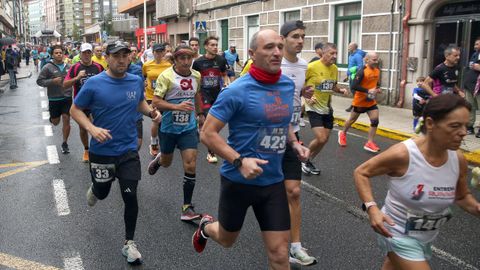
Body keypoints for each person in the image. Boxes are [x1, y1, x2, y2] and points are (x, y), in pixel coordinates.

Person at [192, 29, 310, 270]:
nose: (277, 52)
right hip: (238, 181)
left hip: (273, 182)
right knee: (226, 239)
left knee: (279, 253)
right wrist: (239, 161)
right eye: (269, 47)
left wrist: (294, 143)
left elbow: (282, 119)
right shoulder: (236, 91)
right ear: (252, 54)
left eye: (279, 46)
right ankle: (205, 227)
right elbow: (207, 133)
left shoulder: (287, 86)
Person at [353, 94, 480, 270]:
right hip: (395, 233)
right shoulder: (403, 154)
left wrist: (477, 208)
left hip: (425, 237)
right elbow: (361, 172)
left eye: (465, 126)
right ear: (430, 124)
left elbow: (462, 196)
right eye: (455, 126)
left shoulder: (458, 159)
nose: (463, 132)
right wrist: (372, 208)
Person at [70, 41, 161, 265]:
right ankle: (96, 188)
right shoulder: (93, 84)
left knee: (130, 196)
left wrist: (151, 112)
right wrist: (91, 128)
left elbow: (139, 102)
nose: (121, 59)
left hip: (128, 150)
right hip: (102, 152)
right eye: (116, 56)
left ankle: (129, 243)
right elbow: (75, 109)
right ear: (107, 58)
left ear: (130, 57)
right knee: (102, 193)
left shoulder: (135, 80)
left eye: (125, 55)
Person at [147, 45, 204, 221]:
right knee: (167, 162)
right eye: (182, 58)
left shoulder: (196, 75)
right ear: (176, 60)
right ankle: (160, 159)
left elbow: (196, 96)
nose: (186, 62)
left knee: (190, 164)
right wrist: (176, 106)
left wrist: (200, 114)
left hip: (188, 127)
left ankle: (187, 207)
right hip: (169, 127)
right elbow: (156, 102)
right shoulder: (166, 76)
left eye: (189, 58)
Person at [279, 20, 317, 266]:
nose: (300, 41)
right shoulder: (271, 62)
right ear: (283, 39)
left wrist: (304, 94)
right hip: (266, 138)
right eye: (295, 36)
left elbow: (299, 92)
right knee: (262, 194)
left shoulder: (305, 65)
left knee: (293, 191)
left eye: (302, 36)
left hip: (291, 133)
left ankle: (295, 246)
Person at [301, 43, 348, 175]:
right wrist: (306, 96)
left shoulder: (334, 68)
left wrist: (340, 90)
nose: (334, 56)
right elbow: (299, 83)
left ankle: (308, 160)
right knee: (321, 138)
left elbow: (332, 86)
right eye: (331, 53)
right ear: (323, 53)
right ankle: (304, 159)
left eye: (336, 53)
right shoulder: (311, 67)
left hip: (327, 108)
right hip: (313, 107)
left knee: (325, 140)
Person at [63, 43, 104, 162]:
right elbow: (65, 84)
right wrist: (77, 78)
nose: (86, 55)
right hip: (81, 104)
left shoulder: (99, 67)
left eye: (88, 52)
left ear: (91, 53)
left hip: (96, 103)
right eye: (84, 53)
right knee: (83, 129)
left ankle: (98, 149)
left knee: (98, 126)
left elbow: (107, 80)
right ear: (80, 54)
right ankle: (86, 150)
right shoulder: (75, 68)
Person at [192, 36, 229, 163]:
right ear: (206, 47)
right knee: (209, 119)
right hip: (203, 94)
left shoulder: (221, 60)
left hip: (217, 94)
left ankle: (202, 128)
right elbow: (195, 78)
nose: (215, 47)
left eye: (216, 45)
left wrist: (225, 84)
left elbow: (224, 74)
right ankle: (211, 152)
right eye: (212, 45)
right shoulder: (198, 62)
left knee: (215, 121)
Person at [338, 52, 382, 153]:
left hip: (371, 101)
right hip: (360, 101)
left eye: (377, 59)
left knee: (375, 121)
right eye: (374, 60)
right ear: (367, 60)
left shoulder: (377, 70)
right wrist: (367, 91)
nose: (376, 61)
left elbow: (376, 83)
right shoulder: (362, 71)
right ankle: (343, 133)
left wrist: (377, 89)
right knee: (352, 119)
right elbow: (353, 86)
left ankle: (369, 142)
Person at [36, 45, 73, 154]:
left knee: (66, 118)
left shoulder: (69, 66)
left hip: (67, 98)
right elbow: (39, 81)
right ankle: (52, 118)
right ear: (52, 55)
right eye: (56, 53)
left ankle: (65, 143)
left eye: (60, 52)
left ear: (63, 54)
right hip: (54, 99)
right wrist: (52, 81)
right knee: (56, 122)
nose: (59, 54)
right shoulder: (48, 67)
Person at [142, 43, 172, 157]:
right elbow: (144, 76)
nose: (159, 54)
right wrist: (145, 83)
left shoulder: (169, 65)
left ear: (164, 52)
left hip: (165, 96)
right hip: (151, 96)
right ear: (152, 52)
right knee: (156, 118)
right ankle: (154, 144)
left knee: (164, 120)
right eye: (156, 52)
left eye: (161, 51)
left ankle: (165, 141)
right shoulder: (146, 65)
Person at [463, 37, 480, 136]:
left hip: (479, 87)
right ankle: (469, 126)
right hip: (469, 85)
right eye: (475, 44)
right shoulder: (475, 54)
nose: (475, 46)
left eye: (477, 44)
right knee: (470, 107)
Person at [345, 42, 366, 112]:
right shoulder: (351, 55)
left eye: (349, 46)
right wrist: (347, 75)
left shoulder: (358, 56)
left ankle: (354, 106)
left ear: (354, 47)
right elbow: (350, 66)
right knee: (353, 91)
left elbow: (360, 66)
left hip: (355, 77)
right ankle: (359, 105)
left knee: (354, 91)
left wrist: (355, 74)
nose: (348, 48)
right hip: (351, 76)